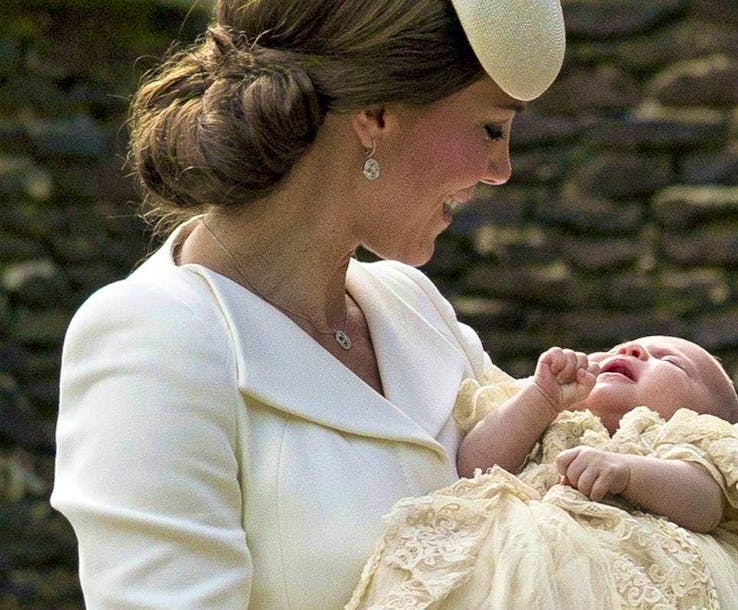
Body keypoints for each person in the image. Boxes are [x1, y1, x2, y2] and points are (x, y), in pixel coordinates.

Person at [51, 1, 567, 608]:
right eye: (490, 128)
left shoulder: (412, 305)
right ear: (376, 114)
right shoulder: (151, 339)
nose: (500, 169)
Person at [347, 336, 738, 609]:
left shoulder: (683, 442)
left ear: (707, 416)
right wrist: (539, 399)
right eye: (625, 347)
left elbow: (704, 503)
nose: (634, 351)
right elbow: (472, 465)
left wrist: (628, 472)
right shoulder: (554, 420)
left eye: (668, 361)